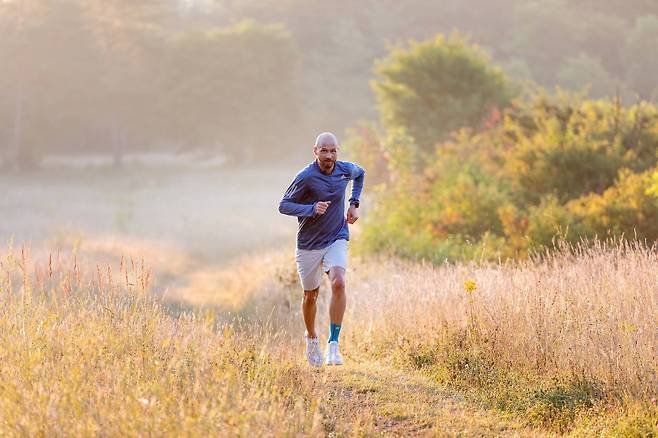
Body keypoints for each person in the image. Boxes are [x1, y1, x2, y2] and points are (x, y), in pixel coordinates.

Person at [278, 132, 365, 367]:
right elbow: (284, 205)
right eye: (324, 151)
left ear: (337, 151)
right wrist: (311, 209)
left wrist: (354, 204)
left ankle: (333, 345)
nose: (329, 156)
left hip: (337, 236)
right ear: (315, 151)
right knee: (310, 296)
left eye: (333, 151)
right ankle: (312, 339)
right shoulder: (306, 177)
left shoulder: (344, 169)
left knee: (339, 283)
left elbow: (360, 174)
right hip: (309, 244)